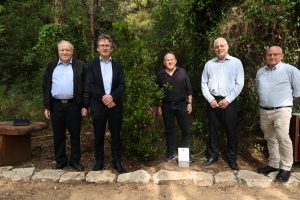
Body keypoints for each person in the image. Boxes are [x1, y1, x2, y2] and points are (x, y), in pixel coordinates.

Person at [256, 46, 300, 182]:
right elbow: (258, 88)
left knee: (283, 137)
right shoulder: (260, 72)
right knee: (270, 138)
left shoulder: (290, 70)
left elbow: (298, 91)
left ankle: (286, 167)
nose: (272, 57)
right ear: (266, 56)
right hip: (264, 110)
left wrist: (285, 102)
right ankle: (274, 164)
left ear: (282, 56)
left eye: (275, 54)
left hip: (282, 110)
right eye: (269, 54)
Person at [42, 40, 88, 171]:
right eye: (62, 50)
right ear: (58, 52)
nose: (65, 52)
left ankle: (75, 160)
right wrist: (47, 106)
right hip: (56, 106)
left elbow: (86, 87)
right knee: (58, 135)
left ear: (72, 52)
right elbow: (45, 86)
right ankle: (60, 160)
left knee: (75, 134)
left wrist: (85, 105)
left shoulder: (81, 65)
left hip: (74, 106)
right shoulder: (51, 66)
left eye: (68, 50)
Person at [201, 37, 244, 170]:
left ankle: (232, 158)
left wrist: (228, 100)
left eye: (222, 46)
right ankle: (213, 155)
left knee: (231, 130)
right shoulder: (209, 64)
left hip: (229, 101)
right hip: (213, 101)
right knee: (213, 130)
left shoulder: (236, 63)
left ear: (227, 47)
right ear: (214, 49)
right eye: (217, 46)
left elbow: (239, 83)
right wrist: (211, 100)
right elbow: (204, 84)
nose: (219, 48)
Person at [86, 34, 126, 173]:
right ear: (97, 48)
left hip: (115, 105)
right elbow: (90, 85)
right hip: (98, 105)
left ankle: (117, 162)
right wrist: (104, 97)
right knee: (98, 134)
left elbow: (122, 85)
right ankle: (99, 161)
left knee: (116, 134)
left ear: (111, 48)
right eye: (102, 45)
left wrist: (112, 97)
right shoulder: (91, 65)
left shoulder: (118, 65)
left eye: (107, 45)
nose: (105, 47)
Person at [156, 53, 193, 162]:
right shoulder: (160, 75)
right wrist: (159, 106)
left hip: (182, 104)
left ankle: (185, 155)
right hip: (166, 106)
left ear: (175, 61)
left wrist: (190, 103)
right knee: (169, 130)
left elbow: (189, 89)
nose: (170, 62)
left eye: (172, 59)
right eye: (167, 60)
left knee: (185, 129)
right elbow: (158, 92)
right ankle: (170, 153)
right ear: (164, 62)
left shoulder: (182, 72)